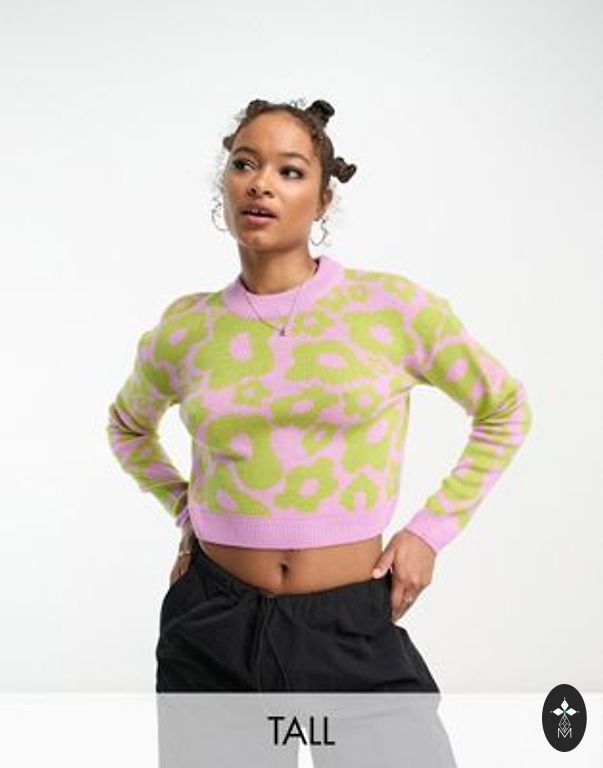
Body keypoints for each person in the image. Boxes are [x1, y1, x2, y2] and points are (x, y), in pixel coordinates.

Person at [106, 98, 533, 695]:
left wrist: (429, 532)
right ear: (225, 184)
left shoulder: (390, 309)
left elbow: (504, 409)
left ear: (323, 200)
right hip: (211, 624)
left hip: (350, 622)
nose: (261, 184)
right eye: (244, 164)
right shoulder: (187, 329)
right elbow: (127, 427)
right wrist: (187, 510)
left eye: (290, 171)